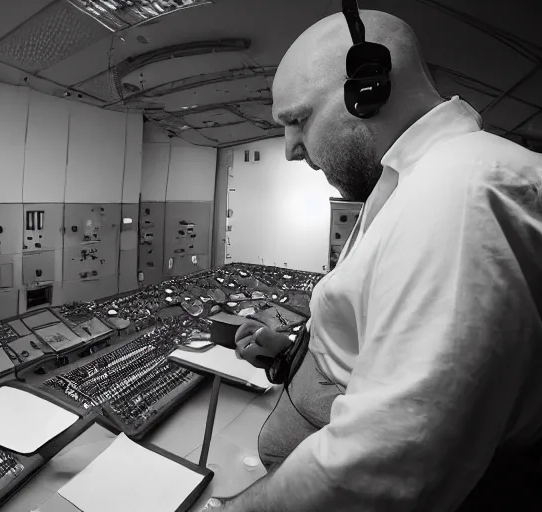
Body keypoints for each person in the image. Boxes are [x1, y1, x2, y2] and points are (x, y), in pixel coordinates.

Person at [203, 7, 542, 512]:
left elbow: (389, 463)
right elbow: (369, 339)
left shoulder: (458, 193)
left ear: (369, 89)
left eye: (297, 120)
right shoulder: (406, 184)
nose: (292, 149)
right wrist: (287, 354)